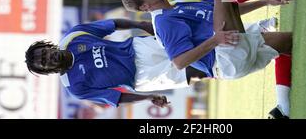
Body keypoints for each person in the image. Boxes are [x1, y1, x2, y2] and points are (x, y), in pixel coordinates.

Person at [120, 0, 295, 81]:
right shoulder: (164, 22)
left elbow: (228, 9)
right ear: (144, 6)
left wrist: (266, 2)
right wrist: (215, 40)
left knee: (290, 42)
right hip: (224, 59)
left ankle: (283, 107)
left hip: (232, 52)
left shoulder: (176, 6)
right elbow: (179, 62)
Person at [24, 18, 206, 108]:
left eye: (44, 53)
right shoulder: (75, 88)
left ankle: (222, 36)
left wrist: (141, 24)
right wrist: (148, 97)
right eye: (44, 62)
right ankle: (220, 67)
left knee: (188, 43)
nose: (48, 58)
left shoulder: (74, 36)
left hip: (139, 47)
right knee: (197, 73)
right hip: (142, 78)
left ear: (48, 47)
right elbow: (116, 98)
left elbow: (112, 24)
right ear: (48, 70)